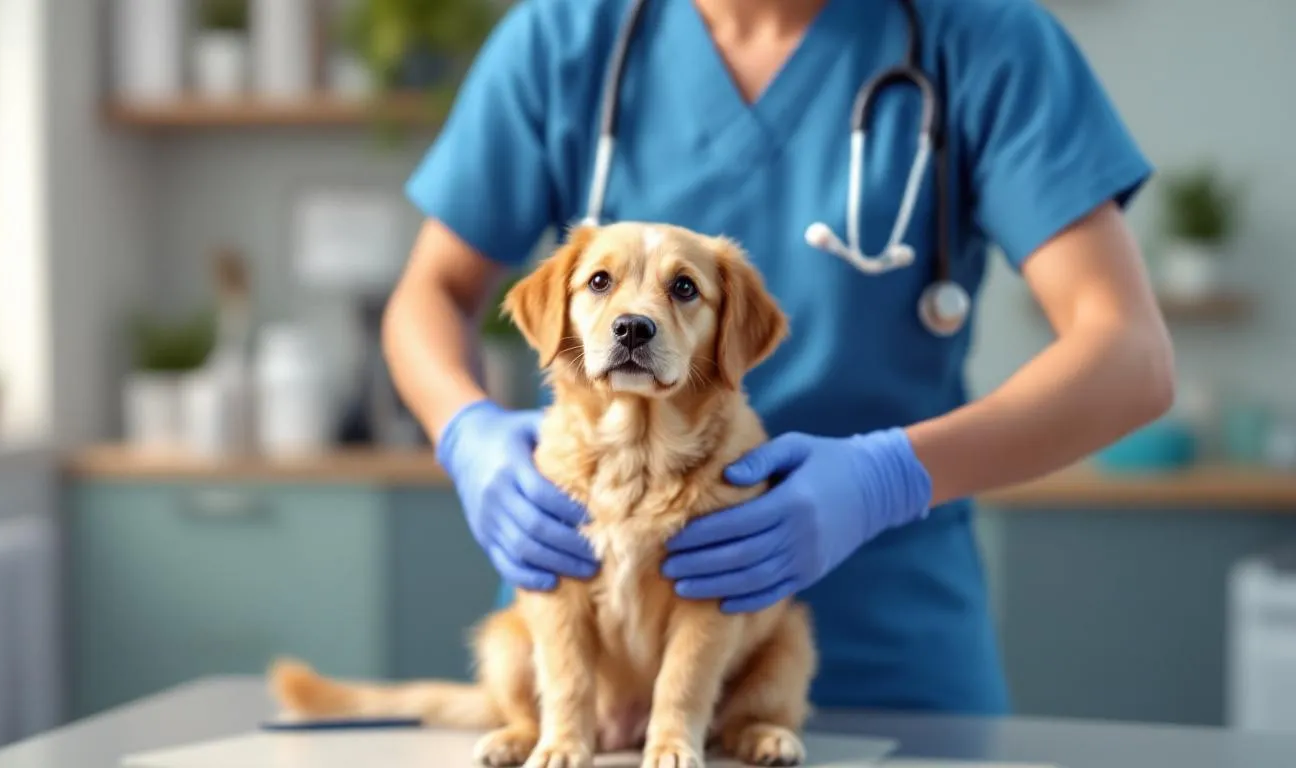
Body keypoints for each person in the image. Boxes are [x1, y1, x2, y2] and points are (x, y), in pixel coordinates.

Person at [383, 0, 1174, 715]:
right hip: (594, 674)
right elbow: (433, 293)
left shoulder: (984, 39)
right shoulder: (566, 38)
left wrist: (887, 479)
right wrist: (466, 431)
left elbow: (1128, 355)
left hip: (887, 653)